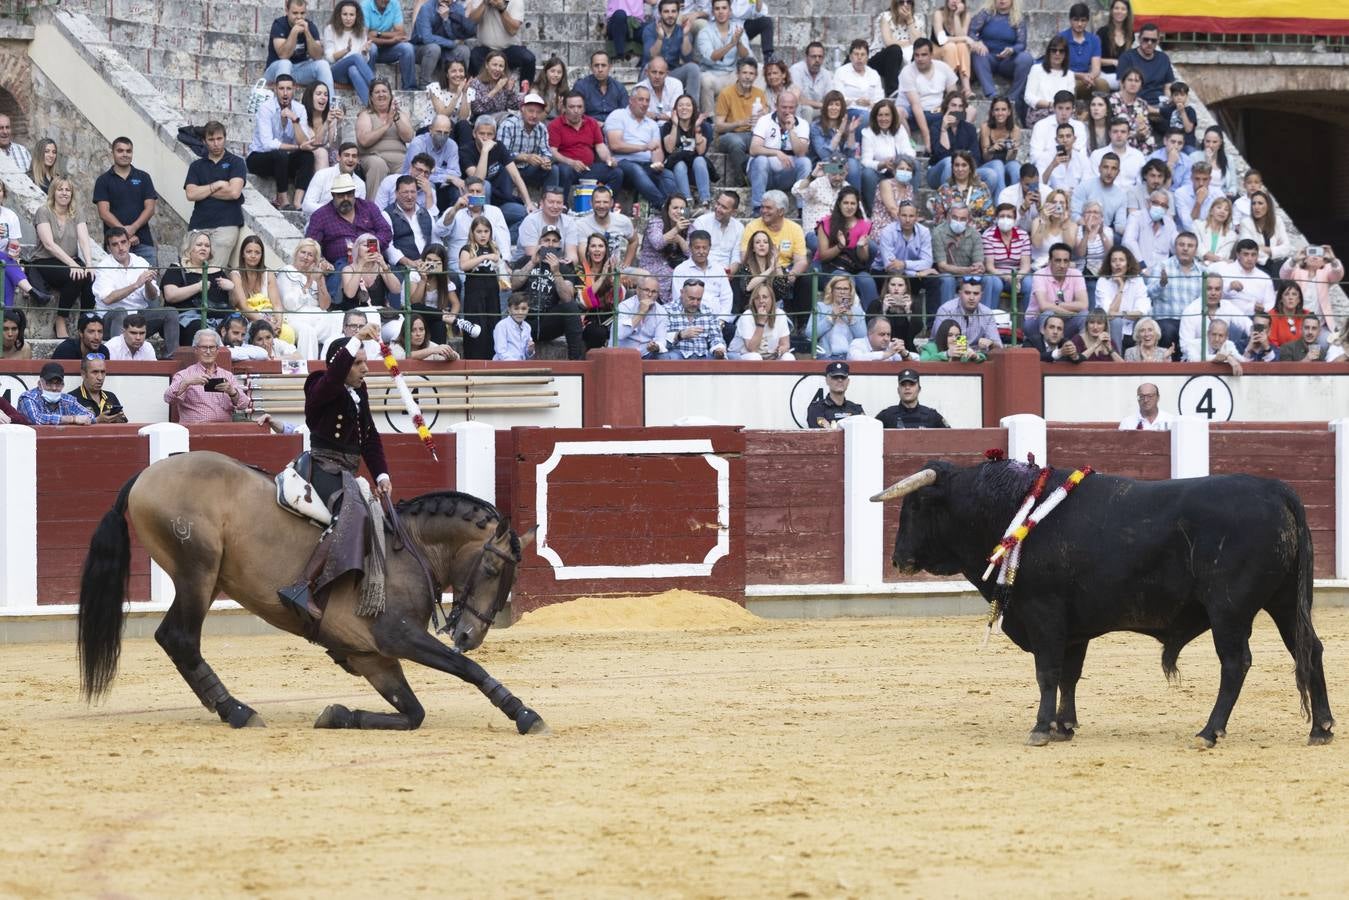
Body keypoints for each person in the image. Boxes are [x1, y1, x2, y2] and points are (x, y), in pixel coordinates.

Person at [277, 320, 391, 620]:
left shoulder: (359, 391)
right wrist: (355, 339)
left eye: (365, 362)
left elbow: (369, 437)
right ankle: (302, 586)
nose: (365, 369)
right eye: (358, 363)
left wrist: (381, 474)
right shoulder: (319, 383)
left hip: (346, 471)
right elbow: (333, 377)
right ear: (341, 364)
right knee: (351, 513)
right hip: (322, 465)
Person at [93, 227, 177, 354]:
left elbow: (152, 297)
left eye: (123, 242)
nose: (120, 247)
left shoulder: (141, 262)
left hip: (138, 317)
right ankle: (117, 359)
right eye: (115, 244)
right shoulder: (103, 267)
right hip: (111, 319)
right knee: (120, 312)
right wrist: (136, 285)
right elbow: (108, 299)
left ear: (129, 243)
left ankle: (173, 357)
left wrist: (148, 283)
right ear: (109, 249)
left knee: (170, 312)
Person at [33, 178, 96, 339]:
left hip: (70, 259)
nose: (64, 193)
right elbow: (49, 244)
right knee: (74, 276)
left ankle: (86, 323)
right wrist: (72, 264)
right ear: (53, 192)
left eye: (68, 190)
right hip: (45, 260)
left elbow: (84, 240)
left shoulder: (76, 212)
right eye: (60, 189)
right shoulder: (44, 211)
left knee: (89, 276)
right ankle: (61, 319)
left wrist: (89, 264)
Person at [511, 225, 585, 359]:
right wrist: (532, 263)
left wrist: (556, 272)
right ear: (540, 242)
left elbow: (568, 298)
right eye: (546, 240)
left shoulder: (564, 267)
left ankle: (576, 361)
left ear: (559, 245)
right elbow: (514, 284)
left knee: (571, 308)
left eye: (554, 241)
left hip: (548, 322)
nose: (550, 244)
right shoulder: (525, 260)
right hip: (523, 320)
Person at [739, 191, 812, 326]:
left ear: (781, 211)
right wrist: (767, 270)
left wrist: (791, 275)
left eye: (768, 208)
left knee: (806, 280)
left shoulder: (794, 228)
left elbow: (801, 261)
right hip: (759, 268)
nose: (763, 211)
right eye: (762, 207)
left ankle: (803, 325)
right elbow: (745, 256)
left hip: (784, 269)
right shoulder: (753, 226)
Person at [247, 75, 316, 212]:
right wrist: (297, 147)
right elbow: (267, 144)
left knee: (308, 157)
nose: (285, 93)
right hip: (259, 158)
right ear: (275, 89)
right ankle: (283, 200)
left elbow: (304, 142)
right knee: (280, 154)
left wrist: (294, 120)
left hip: (283, 162)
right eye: (281, 89)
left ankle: (297, 202)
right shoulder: (266, 108)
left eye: (288, 89)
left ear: (294, 90)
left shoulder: (299, 109)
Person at [182, 121, 246, 268]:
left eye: (219, 139)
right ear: (204, 141)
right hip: (198, 224)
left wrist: (202, 191)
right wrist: (216, 185)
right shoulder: (196, 166)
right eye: (211, 140)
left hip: (227, 224)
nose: (216, 144)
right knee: (188, 269)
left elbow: (234, 192)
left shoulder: (236, 162)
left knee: (213, 271)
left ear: (225, 138)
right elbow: (190, 194)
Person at [162, 230, 237, 346]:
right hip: (187, 320)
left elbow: (233, 303)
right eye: (199, 245)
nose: (203, 248)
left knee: (236, 325)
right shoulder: (178, 268)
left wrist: (232, 288)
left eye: (207, 246)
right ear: (189, 248)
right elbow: (170, 295)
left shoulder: (217, 271)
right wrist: (198, 287)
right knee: (198, 328)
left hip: (218, 318)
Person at [93, 137, 159, 269]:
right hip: (115, 244)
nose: (125, 154)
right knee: (116, 280)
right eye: (120, 151)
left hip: (143, 243)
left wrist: (133, 228)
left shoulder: (144, 177)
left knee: (149, 280)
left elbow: (150, 208)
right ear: (112, 153)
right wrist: (126, 234)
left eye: (128, 151)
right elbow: (104, 213)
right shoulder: (103, 180)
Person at [163, 329, 251, 424]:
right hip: (196, 429)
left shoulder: (227, 375)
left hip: (224, 429)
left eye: (212, 347)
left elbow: (244, 404)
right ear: (196, 349)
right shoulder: (185, 375)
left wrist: (232, 392)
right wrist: (186, 383)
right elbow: (168, 398)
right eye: (204, 347)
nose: (208, 352)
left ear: (217, 350)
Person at [549, 91, 624, 199]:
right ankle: (563, 205)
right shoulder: (555, 125)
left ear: (584, 108)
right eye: (572, 107)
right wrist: (571, 162)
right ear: (564, 108)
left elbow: (600, 146)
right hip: (568, 167)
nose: (576, 110)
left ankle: (606, 203)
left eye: (579, 107)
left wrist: (609, 159)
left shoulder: (592, 123)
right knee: (564, 171)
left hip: (588, 168)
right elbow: (552, 152)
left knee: (617, 172)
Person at [277, 238, 343, 358]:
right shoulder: (286, 271)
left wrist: (320, 281)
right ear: (296, 253)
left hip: (315, 317)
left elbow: (324, 306)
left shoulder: (316, 274)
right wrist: (308, 282)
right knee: (308, 331)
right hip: (294, 317)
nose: (306, 257)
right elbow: (289, 304)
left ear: (315, 260)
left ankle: (329, 363)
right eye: (303, 252)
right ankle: (308, 366)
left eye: (310, 255)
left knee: (339, 320)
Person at [606, 86, 669, 209]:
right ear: (631, 100)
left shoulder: (652, 124)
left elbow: (657, 149)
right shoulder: (618, 115)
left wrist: (657, 163)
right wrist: (643, 147)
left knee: (667, 175)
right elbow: (615, 145)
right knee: (636, 170)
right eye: (641, 99)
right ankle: (663, 206)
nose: (644, 104)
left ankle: (677, 206)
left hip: (647, 164)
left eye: (647, 100)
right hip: (622, 163)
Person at [968, 0, 1033, 114]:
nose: (1002, 0)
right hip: (987, 57)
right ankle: (991, 94)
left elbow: (1022, 44)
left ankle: (1013, 98)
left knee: (1026, 58)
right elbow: (971, 32)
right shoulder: (986, 14)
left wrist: (1012, 50)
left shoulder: (1017, 18)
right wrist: (978, 42)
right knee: (977, 52)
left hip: (1007, 60)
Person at [458, 214, 508, 358]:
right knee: (476, 326)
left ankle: (492, 358)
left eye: (486, 231)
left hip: (492, 292)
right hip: (474, 293)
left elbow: (501, 268)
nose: (483, 235)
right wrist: (484, 257)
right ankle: (473, 359)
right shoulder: (467, 248)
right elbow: (463, 266)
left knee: (492, 325)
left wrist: (505, 278)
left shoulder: (494, 248)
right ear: (472, 233)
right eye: (479, 231)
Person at [356, 79, 415, 197]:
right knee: (378, 164)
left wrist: (396, 117)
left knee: (409, 166)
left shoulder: (400, 115)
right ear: (371, 97)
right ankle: (373, 206)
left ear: (390, 96)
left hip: (399, 159)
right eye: (377, 92)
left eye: (384, 91)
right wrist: (387, 125)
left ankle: (403, 205)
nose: (381, 94)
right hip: (374, 157)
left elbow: (408, 137)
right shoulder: (366, 115)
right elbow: (364, 141)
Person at [872, 199, 933, 312]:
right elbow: (890, 266)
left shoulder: (924, 232)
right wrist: (917, 273)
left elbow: (927, 262)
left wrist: (904, 264)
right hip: (885, 273)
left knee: (935, 279)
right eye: (904, 215)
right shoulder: (887, 231)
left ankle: (930, 320)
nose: (907, 220)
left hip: (910, 275)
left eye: (911, 216)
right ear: (898, 215)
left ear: (917, 217)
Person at [1147, 230, 1202, 352]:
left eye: (1190, 246)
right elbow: (1148, 294)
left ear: (1196, 250)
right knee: (1168, 330)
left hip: (1192, 322)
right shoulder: (1162, 266)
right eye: (1181, 245)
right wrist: (1161, 284)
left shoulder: (1202, 272)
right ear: (1175, 247)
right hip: (1166, 320)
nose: (1185, 248)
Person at [713, 57, 766, 182]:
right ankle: (743, 178)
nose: (747, 77)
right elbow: (718, 126)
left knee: (768, 141)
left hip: (752, 134)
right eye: (744, 73)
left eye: (751, 73)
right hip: (729, 135)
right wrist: (739, 123)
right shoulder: (726, 93)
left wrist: (764, 115)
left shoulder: (759, 94)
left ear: (756, 76)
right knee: (736, 142)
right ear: (737, 74)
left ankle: (763, 177)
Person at [265, 0, 335, 95]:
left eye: (302, 13)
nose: (299, 17)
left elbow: (318, 56)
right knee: (285, 63)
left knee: (323, 64)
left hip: (300, 70)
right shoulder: (279, 24)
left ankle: (330, 102)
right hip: (277, 69)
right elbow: (283, 55)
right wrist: (294, 32)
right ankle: (282, 103)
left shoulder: (310, 26)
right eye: (295, 13)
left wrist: (307, 33)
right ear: (287, 11)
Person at [643, 0, 704, 106]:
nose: (670, 15)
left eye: (673, 11)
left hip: (671, 73)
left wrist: (685, 36)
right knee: (649, 68)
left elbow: (687, 58)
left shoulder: (681, 30)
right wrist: (660, 38)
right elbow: (650, 56)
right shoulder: (650, 29)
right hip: (652, 73)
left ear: (678, 13)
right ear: (660, 13)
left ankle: (692, 108)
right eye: (666, 11)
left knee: (693, 68)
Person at [1025, 242, 1088, 341]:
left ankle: (1081, 348)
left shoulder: (1076, 274)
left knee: (1085, 315)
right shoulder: (1039, 274)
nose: (1062, 265)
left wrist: (1057, 304)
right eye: (1058, 261)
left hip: (1065, 322)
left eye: (1065, 261)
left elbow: (1083, 305)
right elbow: (1043, 306)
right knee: (1048, 314)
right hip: (1036, 322)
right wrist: (1068, 313)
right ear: (1050, 261)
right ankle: (1045, 348)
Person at [697, 0, 752, 112]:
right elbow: (711, 57)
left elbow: (746, 56)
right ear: (713, 12)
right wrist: (731, 44)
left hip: (732, 74)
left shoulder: (738, 29)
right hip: (713, 74)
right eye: (717, 9)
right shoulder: (705, 32)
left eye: (724, 8)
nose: (721, 12)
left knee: (759, 69)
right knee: (705, 80)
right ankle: (709, 118)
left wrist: (738, 42)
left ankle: (752, 114)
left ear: (730, 11)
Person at [401, 116, 465, 211]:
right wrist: (448, 177)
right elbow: (418, 175)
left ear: (450, 132)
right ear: (430, 129)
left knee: (458, 188)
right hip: (414, 182)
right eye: (439, 132)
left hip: (442, 185)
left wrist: (436, 172)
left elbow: (456, 173)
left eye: (446, 133)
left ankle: (452, 217)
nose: (442, 136)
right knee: (428, 184)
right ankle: (428, 217)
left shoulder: (452, 145)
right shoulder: (418, 143)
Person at [467, 0, 536, 86]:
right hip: (486, 49)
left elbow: (512, 30)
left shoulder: (516, 1)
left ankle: (524, 91)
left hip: (509, 49)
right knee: (473, 56)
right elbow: (472, 21)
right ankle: (479, 89)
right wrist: (484, 3)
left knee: (529, 59)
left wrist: (501, 9)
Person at [662, 94, 714, 208]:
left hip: (697, 171)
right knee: (680, 165)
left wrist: (696, 128)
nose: (684, 108)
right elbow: (669, 149)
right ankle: (687, 201)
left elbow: (700, 151)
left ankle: (705, 201)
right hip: (677, 171)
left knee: (700, 160)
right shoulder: (668, 126)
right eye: (680, 105)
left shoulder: (703, 127)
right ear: (675, 110)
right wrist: (675, 125)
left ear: (693, 108)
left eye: (688, 105)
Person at [1095, 245, 1149, 351]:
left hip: (1133, 326)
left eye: (1121, 260)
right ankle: (1116, 358)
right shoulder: (1103, 281)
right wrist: (1120, 287)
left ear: (1128, 263)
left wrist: (1121, 314)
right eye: (1114, 260)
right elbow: (1109, 314)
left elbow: (1142, 310)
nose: (1118, 264)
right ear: (1109, 264)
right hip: (1110, 328)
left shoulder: (1137, 280)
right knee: (1116, 322)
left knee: (1145, 321)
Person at [1281, 244, 1343, 336]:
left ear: (1323, 261)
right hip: (1296, 324)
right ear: (1305, 258)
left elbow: (1338, 275)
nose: (1315, 257)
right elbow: (1283, 275)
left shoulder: (1326, 272)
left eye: (1319, 255)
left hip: (1320, 326)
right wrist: (1294, 259)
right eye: (1312, 253)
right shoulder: (1296, 270)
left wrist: (1333, 260)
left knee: (1330, 342)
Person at [324, 0, 376, 105]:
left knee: (353, 69)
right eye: (345, 14)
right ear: (339, 15)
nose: (348, 18)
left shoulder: (361, 31)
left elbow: (362, 61)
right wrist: (346, 51)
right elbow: (329, 58)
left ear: (357, 16)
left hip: (352, 74)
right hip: (336, 72)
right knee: (355, 57)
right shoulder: (330, 29)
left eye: (351, 15)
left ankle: (371, 107)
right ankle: (377, 86)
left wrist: (365, 52)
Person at [932, 275, 1003, 352]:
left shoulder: (987, 313)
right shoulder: (946, 310)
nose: (971, 298)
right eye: (967, 293)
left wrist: (991, 343)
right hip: (947, 354)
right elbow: (940, 341)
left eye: (976, 293)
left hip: (976, 355)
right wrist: (967, 350)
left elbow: (999, 346)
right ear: (960, 293)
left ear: (981, 295)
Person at [338, 231, 403, 313]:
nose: (369, 249)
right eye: (365, 245)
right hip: (355, 315)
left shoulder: (381, 268)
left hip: (379, 313)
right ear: (357, 248)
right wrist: (360, 265)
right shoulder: (348, 269)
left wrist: (385, 267)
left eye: (372, 245)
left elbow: (397, 290)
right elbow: (350, 294)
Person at [663, 278, 727, 359]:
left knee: (734, 356)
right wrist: (680, 335)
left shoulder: (708, 312)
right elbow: (660, 341)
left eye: (699, 299)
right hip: (678, 355)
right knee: (671, 356)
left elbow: (716, 337)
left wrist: (718, 349)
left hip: (703, 356)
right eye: (691, 298)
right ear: (682, 293)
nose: (695, 303)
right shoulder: (667, 310)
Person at [1116, 22, 1173, 112]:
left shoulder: (1163, 58)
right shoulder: (1127, 57)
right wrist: (1148, 108)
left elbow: (1168, 87)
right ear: (1139, 39)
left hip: (1160, 104)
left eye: (1153, 40)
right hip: (1135, 104)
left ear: (1158, 41)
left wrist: (1167, 105)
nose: (1149, 43)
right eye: (1146, 39)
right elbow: (1123, 88)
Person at [727, 282, 793, 360]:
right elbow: (752, 348)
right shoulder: (747, 315)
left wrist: (781, 349)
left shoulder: (780, 314)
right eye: (757, 298)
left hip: (770, 356)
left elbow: (785, 344)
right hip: (741, 355)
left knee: (789, 357)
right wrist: (761, 323)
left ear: (772, 300)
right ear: (753, 301)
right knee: (755, 357)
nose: (761, 301)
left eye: (764, 297)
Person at [413, 0, 472, 87]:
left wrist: (446, 19)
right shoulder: (426, 8)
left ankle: (459, 85)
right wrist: (451, 43)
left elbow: (458, 36)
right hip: (423, 49)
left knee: (464, 50)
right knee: (434, 48)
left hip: (445, 50)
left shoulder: (458, 9)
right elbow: (426, 38)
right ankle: (424, 84)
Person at [981, 202, 1030, 302]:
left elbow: (1025, 266)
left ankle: (1029, 313)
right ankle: (990, 312)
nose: (1005, 219)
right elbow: (989, 267)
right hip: (997, 275)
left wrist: (1016, 278)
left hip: (1017, 276)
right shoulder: (988, 236)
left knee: (1029, 283)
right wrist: (1007, 277)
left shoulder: (1023, 235)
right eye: (1002, 216)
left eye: (1009, 216)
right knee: (995, 284)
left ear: (1015, 219)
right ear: (996, 218)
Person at [1071, 152, 1130, 235]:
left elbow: (1120, 225)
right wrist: (1089, 226)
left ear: (1118, 172)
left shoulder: (1121, 196)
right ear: (1099, 169)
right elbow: (1074, 214)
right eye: (1106, 167)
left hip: (1104, 232)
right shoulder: (1084, 186)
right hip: (1082, 229)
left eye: (1113, 168)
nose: (1109, 172)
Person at [17, 362, 93, 426]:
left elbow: (90, 416)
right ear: (40, 384)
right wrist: (71, 419)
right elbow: (36, 419)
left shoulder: (68, 400)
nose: (54, 388)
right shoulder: (28, 398)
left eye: (58, 384)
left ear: (63, 385)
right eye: (49, 383)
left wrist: (82, 419)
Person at [362, 0, 417, 89]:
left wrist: (378, 34)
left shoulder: (394, 3)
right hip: (370, 51)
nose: (385, 1)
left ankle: (410, 88)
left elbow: (401, 34)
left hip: (387, 50)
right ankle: (369, 86)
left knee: (407, 48)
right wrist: (392, 40)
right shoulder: (366, 5)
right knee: (372, 48)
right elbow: (364, 37)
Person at [811, 275, 867, 359]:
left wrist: (851, 319)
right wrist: (831, 318)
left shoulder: (857, 311)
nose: (842, 292)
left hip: (850, 357)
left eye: (845, 289)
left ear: (850, 291)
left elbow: (863, 338)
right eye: (838, 288)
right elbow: (810, 334)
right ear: (832, 290)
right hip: (826, 357)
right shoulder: (820, 307)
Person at [1216, 239, 1274, 318]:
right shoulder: (1225, 271)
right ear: (1238, 255)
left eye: (1253, 255)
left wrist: (1263, 308)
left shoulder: (1264, 277)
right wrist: (1229, 287)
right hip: (1228, 318)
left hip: (1255, 318)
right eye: (1246, 254)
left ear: (1257, 256)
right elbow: (1214, 296)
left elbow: (1270, 304)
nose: (1250, 258)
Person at [1024, 35, 1073, 127]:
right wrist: (1050, 105)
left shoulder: (1070, 74)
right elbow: (1028, 96)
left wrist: (1058, 108)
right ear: (1048, 52)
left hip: (1062, 114)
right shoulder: (1036, 69)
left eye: (1061, 51)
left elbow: (1070, 100)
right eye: (1054, 50)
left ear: (1065, 54)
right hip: (1039, 113)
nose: (1057, 54)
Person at [1122, 189, 1176, 274]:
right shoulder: (1136, 217)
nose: (1159, 207)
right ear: (1148, 203)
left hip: (1161, 274)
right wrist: (1142, 265)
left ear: (1167, 209)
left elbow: (1176, 246)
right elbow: (1128, 241)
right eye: (1156, 203)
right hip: (1137, 271)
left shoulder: (1169, 223)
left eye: (1163, 205)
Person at [1238, 190, 1291, 274]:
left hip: (1276, 264)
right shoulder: (1246, 223)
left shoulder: (1277, 220)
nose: (1256, 207)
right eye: (1253, 203)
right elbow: (1248, 249)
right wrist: (1275, 251)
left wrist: (1267, 249)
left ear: (1268, 206)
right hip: (1257, 265)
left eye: (1260, 203)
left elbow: (1287, 247)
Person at [616, 275, 669, 358]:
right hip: (623, 352)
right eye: (646, 290)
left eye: (654, 292)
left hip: (646, 353)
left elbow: (661, 339)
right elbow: (620, 334)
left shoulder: (661, 312)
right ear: (637, 290)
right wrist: (641, 312)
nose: (650, 294)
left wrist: (656, 346)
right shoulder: (625, 306)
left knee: (665, 356)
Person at [876, 368, 949, 428]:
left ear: (919, 389)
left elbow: (950, 436)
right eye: (903, 385)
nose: (907, 388)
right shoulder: (887, 416)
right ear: (898, 390)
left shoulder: (931, 416)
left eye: (912, 384)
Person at [1062, 3, 1105, 96]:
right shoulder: (1062, 38)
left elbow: (1096, 68)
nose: (1079, 24)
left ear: (1087, 21)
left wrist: (1090, 77)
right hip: (1067, 77)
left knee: (1102, 85)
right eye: (1076, 20)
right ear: (1070, 20)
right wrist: (1080, 76)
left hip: (1087, 78)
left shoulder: (1094, 39)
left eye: (1083, 20)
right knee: (1069, 86)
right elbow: (1059, 68)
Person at [1109, 68, 1155, 154]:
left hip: (1139, 144)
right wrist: (1134, 134)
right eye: (1130, 80)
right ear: (1123, 83)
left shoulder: (1142, 103)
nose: (1133, 84)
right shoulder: (1111, 101)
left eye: (1137, 81)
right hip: (1117, 142)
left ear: (1141, 85)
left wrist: (1143, 131)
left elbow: (1146, 127)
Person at [575, 50, 630, 121]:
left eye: (603, 65)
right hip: (589, 125)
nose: (600, 69)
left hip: (614, 125)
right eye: (596, 65)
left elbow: (625, 114)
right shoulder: (581, 86)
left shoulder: (619, 88)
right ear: (591, 67)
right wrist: (594, 123)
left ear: (610, 67)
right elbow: (576, 113)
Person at [807, 360, 864, 428]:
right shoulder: (816, 409)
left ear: (848, 382)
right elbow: (821, 433)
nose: (840, 380)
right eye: (835, 377)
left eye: (843, 377)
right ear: (827, 380)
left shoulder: (856, 409)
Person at [1089, 118, 1144, 188]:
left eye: (1123, 132)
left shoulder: (1138, 156)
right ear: (1109, 134)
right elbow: (1092, 182)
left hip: (1131, 194)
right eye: (1115, 131)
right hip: (1104, 193)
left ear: (1128, 134)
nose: (1119, 135)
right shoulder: (1097, 155)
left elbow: (1141, 184)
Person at [789, 41, 831, 121]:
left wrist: (825, 105)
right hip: (800, 110)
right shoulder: (796, 70)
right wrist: (821, 104)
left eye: (820, 57)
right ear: (806, 57)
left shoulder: (826, 74)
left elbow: (830, 98)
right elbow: (797, 99)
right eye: (813, 56)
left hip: (819, 110)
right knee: (808, 110)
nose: (817, 60)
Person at [1268, 281, 1310, 350]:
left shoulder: (1306, 315)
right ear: (1281, 299)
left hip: (1302, 353)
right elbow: (1273, 344)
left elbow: (1311, 339)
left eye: (1294, 294)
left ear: (1299, 299)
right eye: (1286, 294)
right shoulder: (1272, 315)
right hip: (1280, 354)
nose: (1290, 297)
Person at [492, 294, 534, 360]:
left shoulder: (527, 327)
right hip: (503, 364)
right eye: (516, 309)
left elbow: (526, 355)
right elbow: (501, 352)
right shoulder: (502, 326)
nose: (520, 312)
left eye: (523, 309)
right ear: (509, 310)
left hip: (520, 364)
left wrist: (530, 350)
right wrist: (515, 364)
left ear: (528, 309)